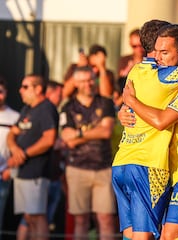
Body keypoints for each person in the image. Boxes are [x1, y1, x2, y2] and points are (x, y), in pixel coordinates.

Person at [112, 20, 178, 240]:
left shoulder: (141, 71)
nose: (161, 58)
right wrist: (124, 109)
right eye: (160, 51)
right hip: (162, 165)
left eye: (165, 52)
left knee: (168, 235)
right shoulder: (162, 75)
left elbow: (162, 120)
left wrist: (130, 103)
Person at [60, 66, 116, 240]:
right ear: (75, 83)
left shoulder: (105, 102)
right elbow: (67, 139)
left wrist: (79, 133)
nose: (88, 84)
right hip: (77, 168)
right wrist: (95, 131)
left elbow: (106, 132)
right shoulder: (68, 107)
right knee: (81, 220)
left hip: (103, 168)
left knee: (105, 219)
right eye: (83, 81)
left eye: (91, 79)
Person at [7, 74, 59, 240]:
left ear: (38, 89)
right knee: (29, 217)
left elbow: (49, 139)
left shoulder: (46, 108)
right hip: (22, 171)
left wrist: (24, 154)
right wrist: (15, 149)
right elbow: (11, 133)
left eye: (25, 86)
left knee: (37, 216)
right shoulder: (27, 109)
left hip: (37, 172)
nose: (20, 90)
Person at [0, 76, 19, 240]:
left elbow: (21, 146)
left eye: (0, 91)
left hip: (3, 174)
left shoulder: (15, 117)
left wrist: (10, 168)